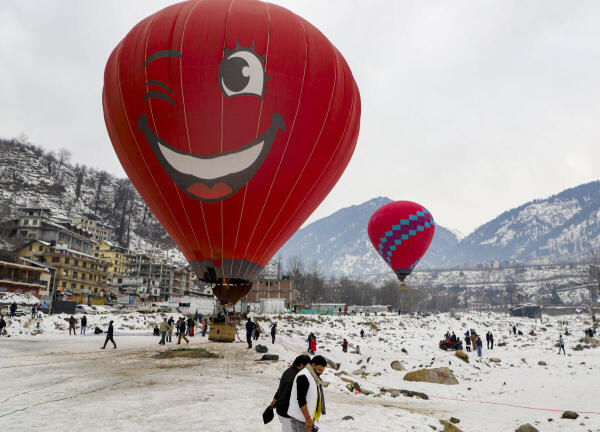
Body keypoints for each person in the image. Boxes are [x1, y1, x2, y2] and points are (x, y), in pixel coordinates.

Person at [269, 354, 311, 432]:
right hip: (286, 413)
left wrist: (275, 399)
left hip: (283, 411)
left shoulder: (289, 371)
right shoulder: (295, 377)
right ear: (301, 365)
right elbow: (286, 396)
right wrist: (277, 404)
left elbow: (280, 388)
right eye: (307, 366)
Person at [287, 355, 327, 432]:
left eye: (323, 370)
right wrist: (308, 418)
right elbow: (301, 399)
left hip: (306, 418)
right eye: (319, 370)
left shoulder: (313, 376)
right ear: (313, 365)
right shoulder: (304, 376)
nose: (321, 373)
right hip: (301, 419)